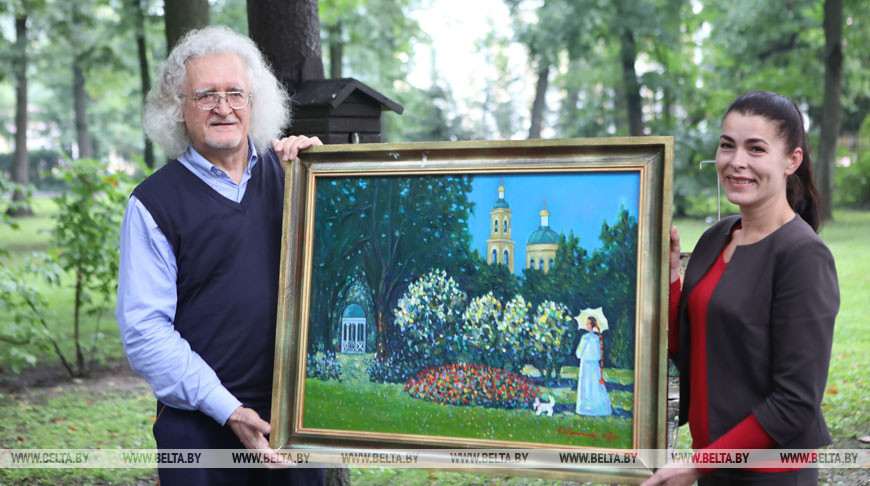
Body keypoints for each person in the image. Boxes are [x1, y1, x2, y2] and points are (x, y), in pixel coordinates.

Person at [116, 25, 324, 486]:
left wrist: (328, 181)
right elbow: (145, 331)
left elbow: (346, 265)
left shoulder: (295, 177)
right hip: (196, 421)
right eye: (206, 96)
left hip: (294, 414)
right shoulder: (153, 203)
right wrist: (228, 409)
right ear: (178, 110)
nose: (224, 108)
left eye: (235, 93)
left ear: (255, 102)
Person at [643, 91, 839, 486]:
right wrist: (668, 279)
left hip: (770, 474)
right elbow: (690, 346)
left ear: (791, 160)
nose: (737, 162)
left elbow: (795, 403)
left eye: (756, 149)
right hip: (714, 468)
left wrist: (699, 464)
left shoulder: (802, 256)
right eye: (727, 145)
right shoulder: (717, 237)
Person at [575, 317, 612, 416]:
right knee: (594, 385)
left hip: (586, 364)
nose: (586, 325)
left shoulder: (585, 338)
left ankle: (585, 407)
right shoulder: (597, 338)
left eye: (587, 323)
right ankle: (596, 406)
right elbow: (599, 355)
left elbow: (578, 354)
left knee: (587, 385)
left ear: (591, 326)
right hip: (594, 365)